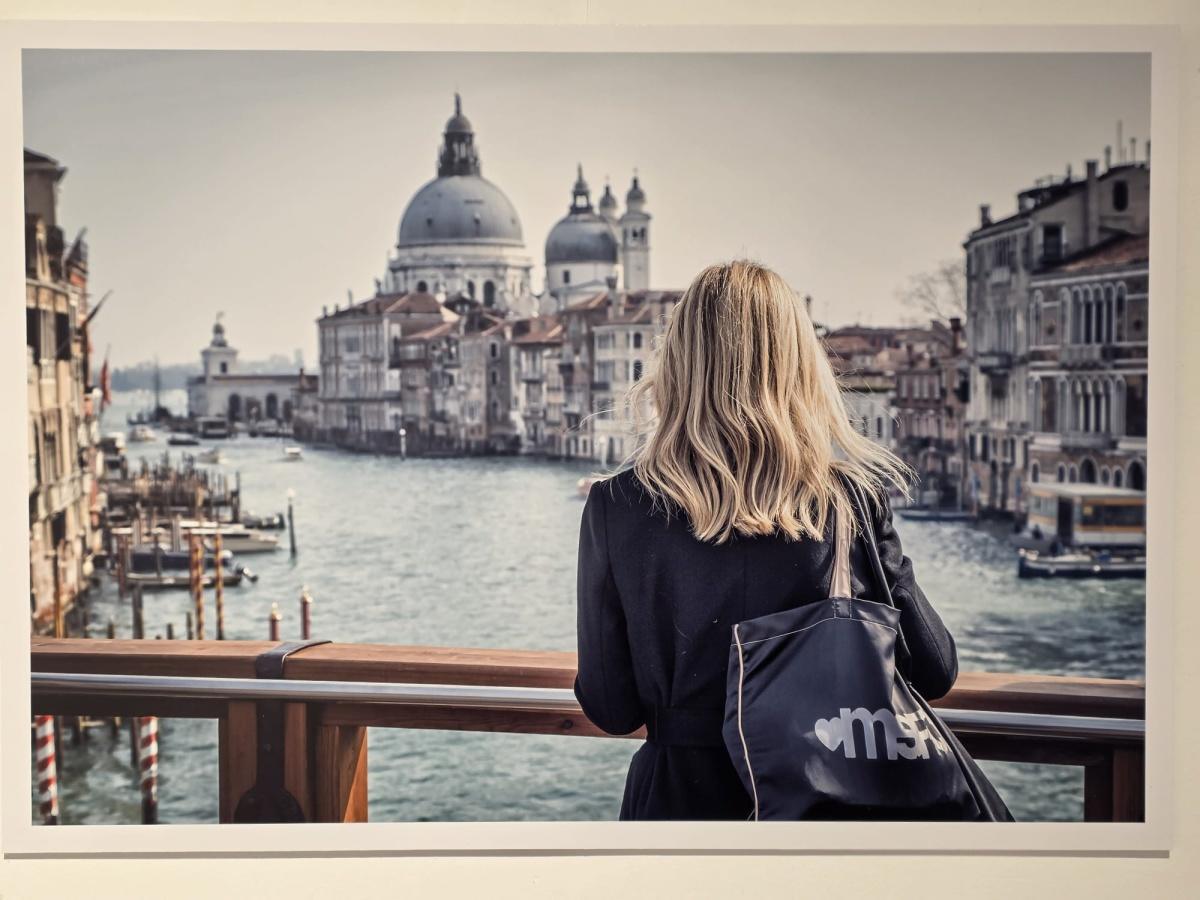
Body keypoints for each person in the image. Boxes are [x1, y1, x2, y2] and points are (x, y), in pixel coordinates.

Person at [574, 260, 959, 820]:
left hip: (681, 808)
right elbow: (935, 669)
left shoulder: (618, 507)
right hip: (823, 807)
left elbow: (610, 707)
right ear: (800, 365)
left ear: (678, 364)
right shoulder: (850, 499)